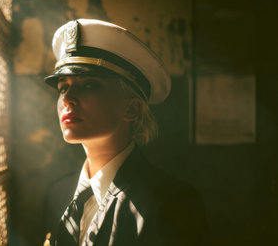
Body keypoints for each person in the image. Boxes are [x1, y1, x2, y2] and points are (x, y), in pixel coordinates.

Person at [41, 19, 210, 246]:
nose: (68, 99)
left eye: (90, 85)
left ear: (131, 108)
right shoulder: (58, 194)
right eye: (63, 87)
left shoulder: (172, 205)